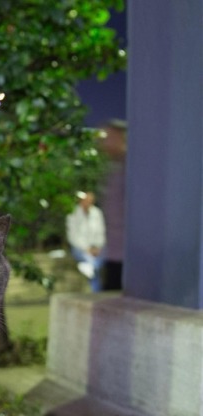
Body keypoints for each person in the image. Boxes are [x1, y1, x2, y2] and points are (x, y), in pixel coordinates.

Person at [98, 120, 127, 290]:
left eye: (107, 137)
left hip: (126, 253)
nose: (102, 142)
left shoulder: (129, 167)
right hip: (113, 250)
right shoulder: (112, 167)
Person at [66, 191, 106, 292]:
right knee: (93, 264)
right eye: (86, 200)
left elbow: (101, 232)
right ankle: (96, 291)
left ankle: (89, 268)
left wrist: (97, 247)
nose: (88, 203)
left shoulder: (97, 213)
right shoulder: (72, 213)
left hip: (95, 248)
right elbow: (72, 237)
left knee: (96, 263)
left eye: (90, 201)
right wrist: (86, 249)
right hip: (80, 248)